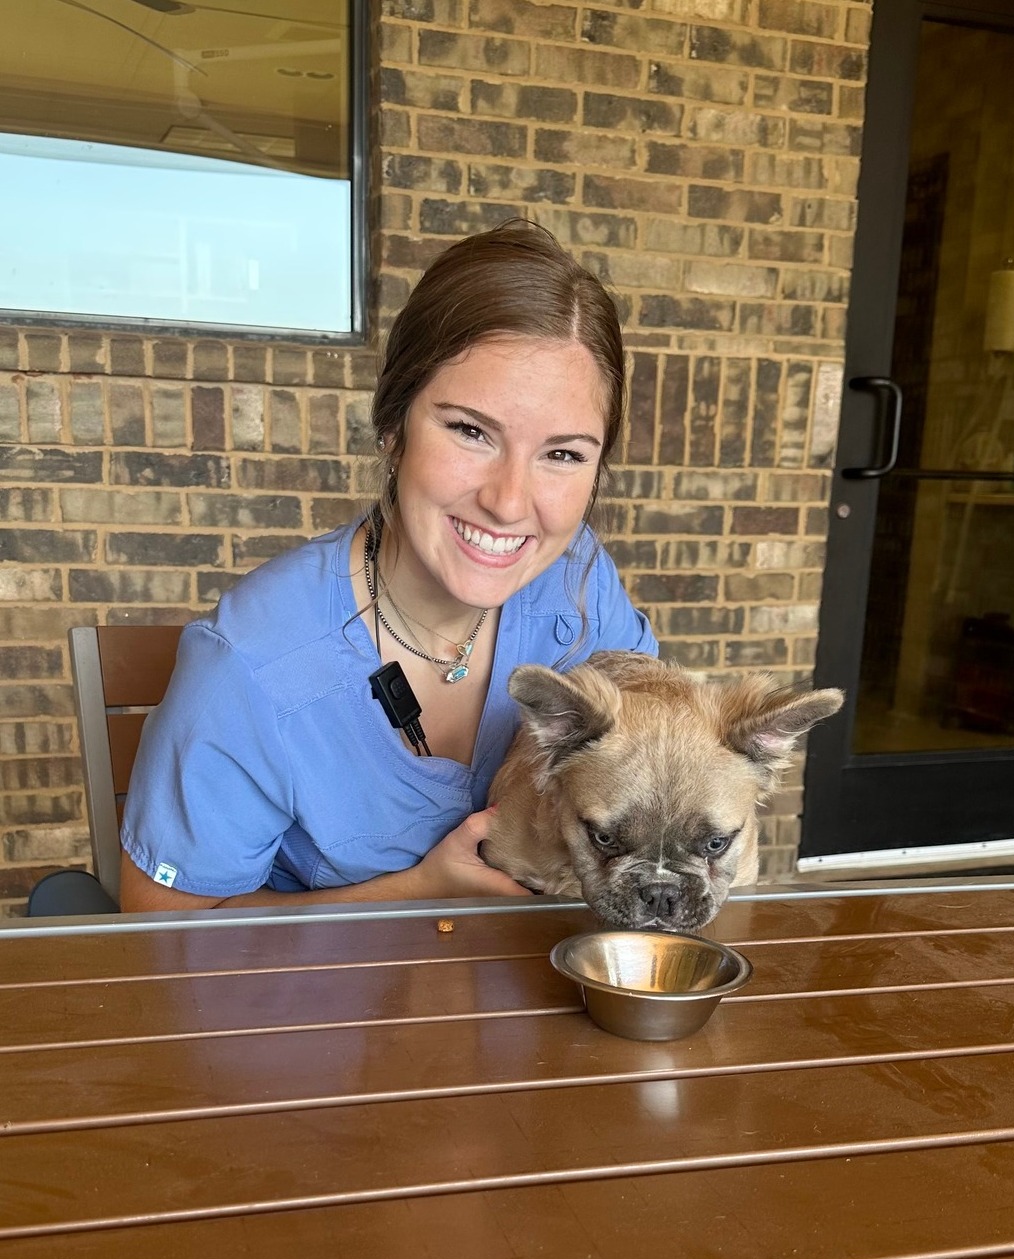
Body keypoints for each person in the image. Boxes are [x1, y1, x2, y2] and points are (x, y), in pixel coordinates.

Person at [120, 219, 658, 911]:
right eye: (471, 431)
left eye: (562, 454)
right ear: (392, 426)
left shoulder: (580, 585)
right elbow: (161, 926)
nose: (508, 503)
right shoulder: (255, 662)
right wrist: (417, 892)